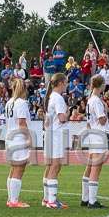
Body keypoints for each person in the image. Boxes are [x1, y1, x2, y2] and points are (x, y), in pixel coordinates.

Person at [81, 74, 109, 208]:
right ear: (101, 85)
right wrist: (106, 110)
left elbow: (88, 123)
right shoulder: (97, 101)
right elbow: (102, 119)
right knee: (96, 167)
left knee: (90, 166)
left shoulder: (89, 100)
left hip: (93, 132)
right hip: (99, 133)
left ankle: (85, 198)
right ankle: (92, 201)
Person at [42, 73, 69, 209]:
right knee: (55, 166)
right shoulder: (58, 98)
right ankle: (52, 200)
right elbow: (62, 118)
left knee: (49, 166)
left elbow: (47, 121)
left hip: (49, 134)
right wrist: (68, 112)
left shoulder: (51, 97)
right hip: (56, 136)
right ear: (60, 83)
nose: (67, 85)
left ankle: (47, 198)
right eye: (66, 83)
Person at [4, 77, 32, 207]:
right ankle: (14, 201)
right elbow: (22, 122)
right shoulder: (21, 103)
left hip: (10, 138)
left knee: (13, 168)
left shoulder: (9, 102)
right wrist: (29, 138)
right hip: (18, 139)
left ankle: (11, 199)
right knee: (19, 169)